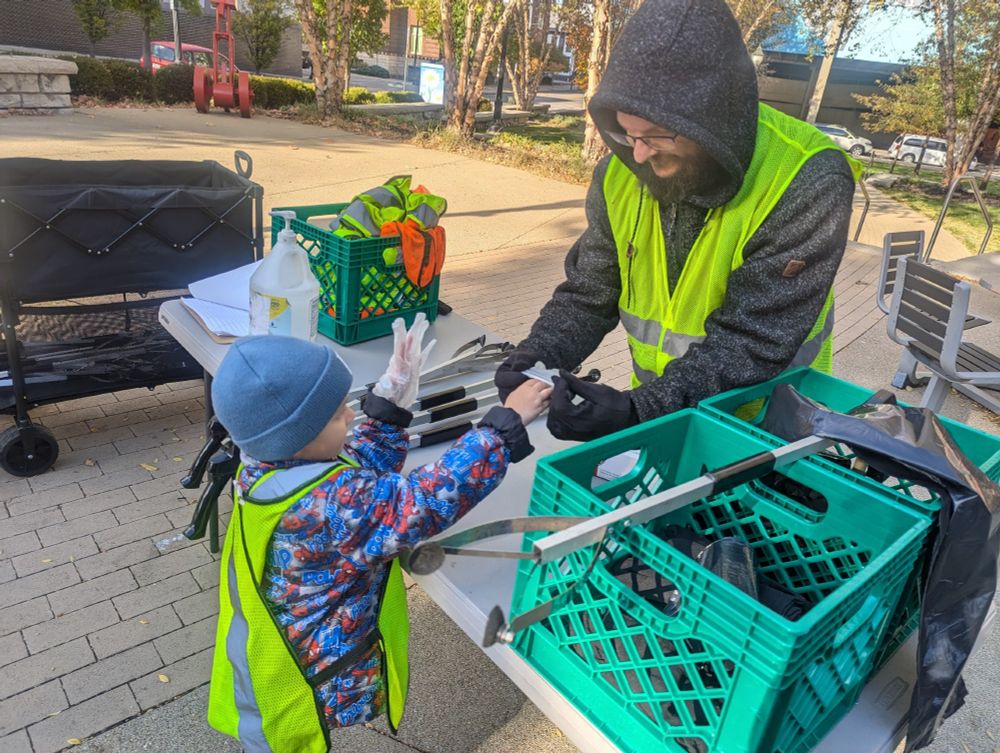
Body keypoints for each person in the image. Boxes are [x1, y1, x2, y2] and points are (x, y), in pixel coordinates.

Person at [495, 0, 861, 442]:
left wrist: (642, 410)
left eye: (657, 136)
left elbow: (753, 339)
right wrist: (539, 352)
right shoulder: (620, 172)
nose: (640, 154)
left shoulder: (805, 178)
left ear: (714, 122)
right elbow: (591, 292)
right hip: (669, 411)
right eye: (627, 134)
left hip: (768, 425)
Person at [206, 315, 551, 753]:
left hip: (284, 645)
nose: (350, 414)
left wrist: (387, 413)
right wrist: (503, 428)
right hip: (311, 669)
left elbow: (348, 470)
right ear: (298, 435)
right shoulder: (329, 505)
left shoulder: (267, 466)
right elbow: (417, 505)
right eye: (336, 414)